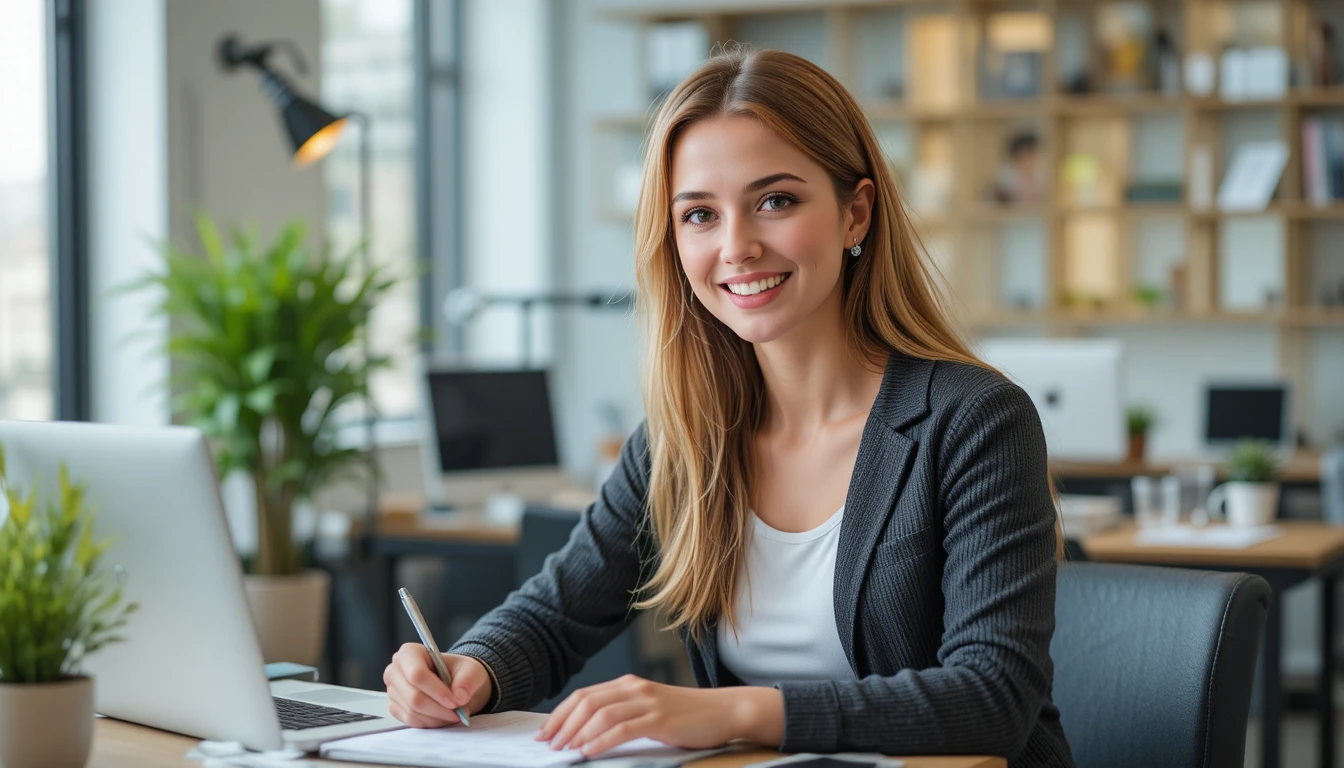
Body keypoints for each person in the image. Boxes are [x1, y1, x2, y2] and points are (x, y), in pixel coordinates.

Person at [384, 47, 1075, 768]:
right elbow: (555, 614)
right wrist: (471, 668)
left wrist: (729, 712)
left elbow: (992, 698)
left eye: (776, 201)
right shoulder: (685, 437)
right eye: (700, 215)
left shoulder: (974, 421)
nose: (737, 247)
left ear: (855, 213)